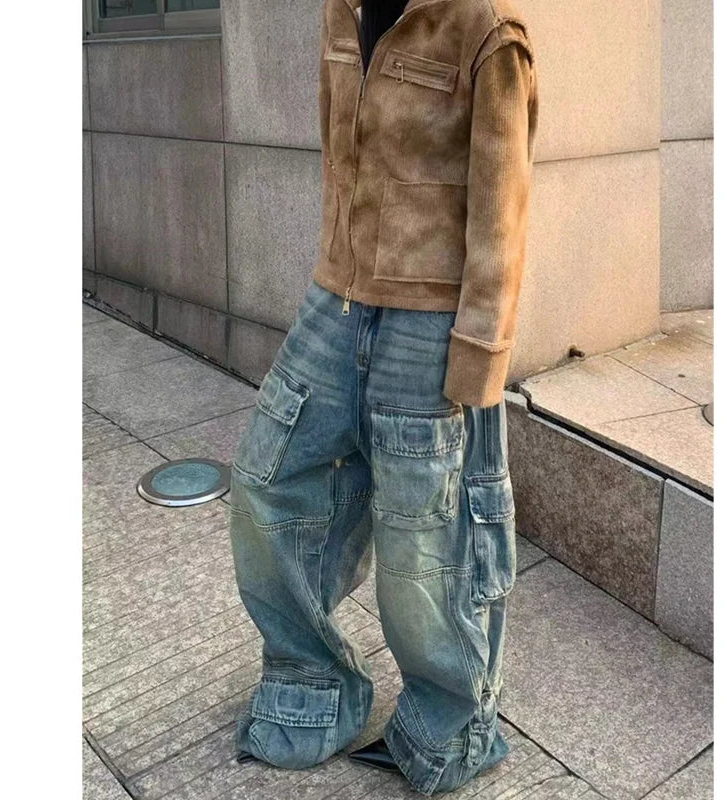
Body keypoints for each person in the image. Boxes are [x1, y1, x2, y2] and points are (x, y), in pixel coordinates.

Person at [228, 0, 539, 794]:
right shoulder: (342, 8)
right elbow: (341, 156)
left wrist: (477, 359)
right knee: (266, 479)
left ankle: (447, 730)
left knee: (423, 542)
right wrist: (333, 263)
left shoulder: (484, 27)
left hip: (428, 319)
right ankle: (311, 687)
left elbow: (502, 210)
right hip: (336, 300)